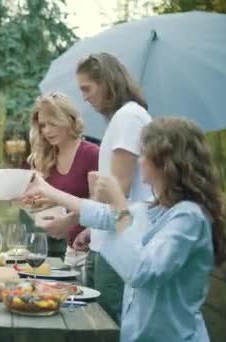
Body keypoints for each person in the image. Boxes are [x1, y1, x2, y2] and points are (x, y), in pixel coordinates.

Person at [21, 117, 226, 342]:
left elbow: (144, 271)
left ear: (164, 161)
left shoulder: (189, 217)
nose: (139, 162)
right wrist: (46, 190)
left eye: (144, 154)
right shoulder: (152, 210)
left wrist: (119, 203)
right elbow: (101, 214)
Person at [72, 52, 153, 323]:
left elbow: (120, 190)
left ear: (106, 82)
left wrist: (87, 201)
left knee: (108, 326)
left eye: (87, 89)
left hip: (120, 245)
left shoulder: (130, 117)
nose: (84, 97)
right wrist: (90, 228)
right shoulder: (121, 118)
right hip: (105, 240)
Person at [26, 92, 99, 266]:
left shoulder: (91, 154)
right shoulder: (48, 156)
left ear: (68, 120)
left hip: (93, 248)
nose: (47, 131)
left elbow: (99, 202)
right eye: (43, 125)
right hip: (70, 248)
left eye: (53, 123)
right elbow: (59, 199)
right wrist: (36, 203)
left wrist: (69, 220)